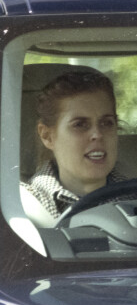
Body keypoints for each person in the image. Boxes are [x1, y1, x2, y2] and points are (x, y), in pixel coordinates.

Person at [21, 70, 127, 219]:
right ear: (47, 136)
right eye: (80, 124)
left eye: (106, 123)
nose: (97, 134)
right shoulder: (20, 208)